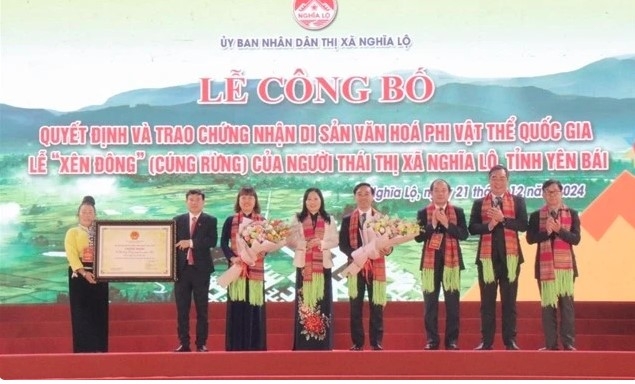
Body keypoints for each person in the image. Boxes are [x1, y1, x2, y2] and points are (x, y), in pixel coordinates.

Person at [468, 165, 527, 350]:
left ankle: (510, 341)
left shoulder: (518, 201)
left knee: (509, 302)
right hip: (487, 259)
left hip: (511, 259)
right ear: (489, 180)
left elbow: (523, 225)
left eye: (502, 178)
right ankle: (487, 342)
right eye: (494, 178)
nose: (498, 182)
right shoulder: (479, 203)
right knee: (487, 303)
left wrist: (503, 220)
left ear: (507, 180)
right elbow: (472, 228)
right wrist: (490, 225)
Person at [526, 179, 581, 351]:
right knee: (548, 307)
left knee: (566, 307)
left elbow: (576, 239)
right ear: (543, 194)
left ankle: (568, 343)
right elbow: (530, 239)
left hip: (566, 268)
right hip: (545, 269)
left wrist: (559, 231)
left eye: (555, 191)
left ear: (561, 193)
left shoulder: (572, 213)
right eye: (548, 192)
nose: (552, 195)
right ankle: (551, 345)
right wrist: (546, 233)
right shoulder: (536, 215)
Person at [415, 179, 469, 350]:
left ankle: (452, 341)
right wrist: (432, 225)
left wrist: (446, 224)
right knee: (430, 304)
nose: (440, 193)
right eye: (436, 190)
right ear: (430, 193)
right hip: (430, 264)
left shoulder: (458, 212)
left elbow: (464, 234)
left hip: (451, 264)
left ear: (449, 193)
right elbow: (418, 237)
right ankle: (432, 340)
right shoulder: (423, 212)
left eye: (443, 190)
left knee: (452, 305)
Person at [339, 182, 392, 351]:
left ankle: (376, 343)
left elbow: (389, 244)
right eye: (359, 194)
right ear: (355, 197)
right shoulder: (348, 219)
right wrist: (357, 255)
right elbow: (343, 245)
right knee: (356, 306)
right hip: (356, 267)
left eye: (366, 194)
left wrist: (388, 249)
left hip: (376, 267)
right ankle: (358, 343)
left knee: (376, 306)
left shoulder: (381, 218)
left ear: (373, 196)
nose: (363, 197)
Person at [287, 187, 339, 350]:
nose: (312, 202)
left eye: (315, 199)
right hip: (304, 266)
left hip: (323, 267)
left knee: (322, 303)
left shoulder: (329, 218)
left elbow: (335, 241)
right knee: (305, 304)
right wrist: (305, 244)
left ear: (321, 200)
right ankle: (304, 344)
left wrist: (321, 244)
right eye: (309, 199)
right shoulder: (297, 218)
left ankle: (323, 344)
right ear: (304, 201)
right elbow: (290, 240)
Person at [219, 186, 268, 351]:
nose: (247, 201)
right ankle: (236, 346)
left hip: (255, 269)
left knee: (254, 307)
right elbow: (223, 244)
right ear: (238, 201)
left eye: (250, 198)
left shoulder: (262, 221)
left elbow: (267, 246)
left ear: (255, 201)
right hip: (237, 269)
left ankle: (255, 346)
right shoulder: (230, 220)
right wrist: (233, 258)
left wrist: (255, 255)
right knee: (237, 306)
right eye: (243, 198)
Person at [173, 189, 218, 352]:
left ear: (203, 202)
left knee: (202, 309)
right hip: (181, 271)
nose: (194, 202)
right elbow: (171, 242)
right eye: (191, 200)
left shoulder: (210, 220)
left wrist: (190, 243)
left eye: (198, 200)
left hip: (201, 270)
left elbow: (211, 241)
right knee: (182, 309)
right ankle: (184, 343)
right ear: (186, 202)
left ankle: (201, 344)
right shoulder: (177, 220)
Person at [64, 195, 109, 353]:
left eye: (90, 212)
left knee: (99, 311)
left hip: (100, 274)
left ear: (95, 215)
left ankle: (100, 349)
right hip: (79, 275)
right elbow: (71, 255)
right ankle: (82, 350)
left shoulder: (102, 232)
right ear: (78, 214)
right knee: (81, 312)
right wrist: (84, 272)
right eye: (84, 211)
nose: (87, 214)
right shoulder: (72, 232)